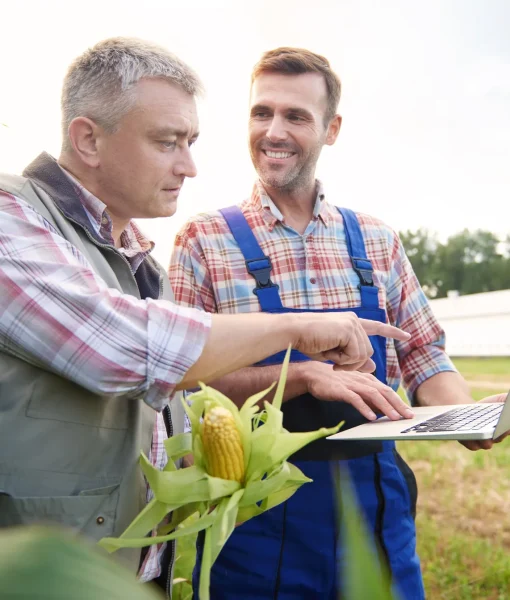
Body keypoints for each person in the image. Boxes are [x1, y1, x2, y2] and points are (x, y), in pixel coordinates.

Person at [0, 38, 411, 597]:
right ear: (89, 139)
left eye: (190, 142)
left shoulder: (139, 260)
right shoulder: (10, 218)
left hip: (129, 575)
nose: (190, 166)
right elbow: (122, 347)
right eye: (168, 142)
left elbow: (177, 407)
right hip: (47, 575)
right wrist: (297, 333)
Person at [169, 47, 508, 599]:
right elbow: (182, 376)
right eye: (262, 112)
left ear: (332, 129)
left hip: (377, 507)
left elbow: (424, 354)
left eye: (296, 116)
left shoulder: (376, 239)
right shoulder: (204, 240)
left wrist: (467, 418)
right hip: (258, 514)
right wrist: (300, 376)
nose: (273, 130)